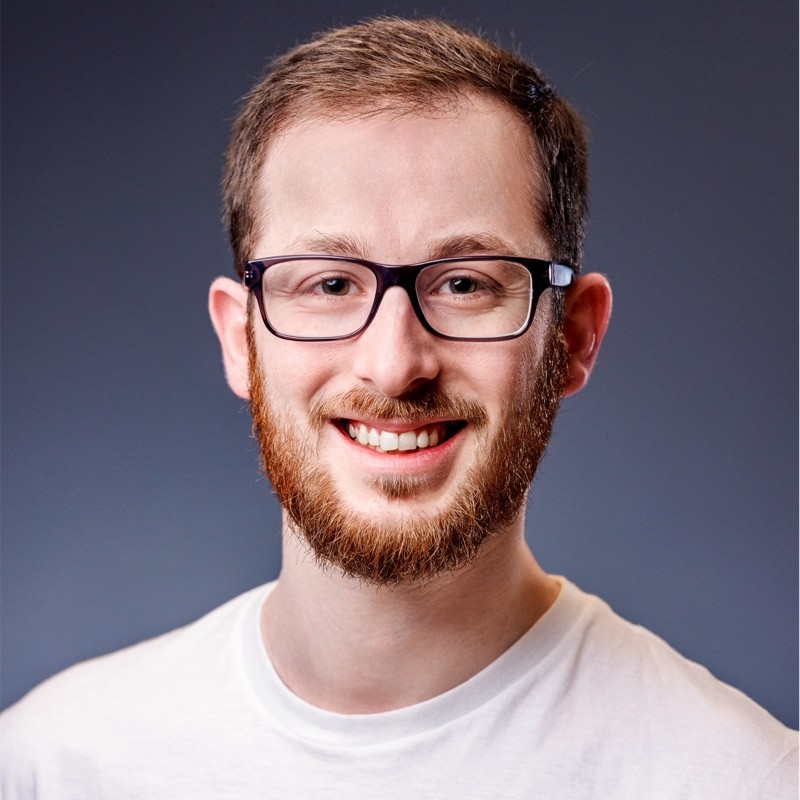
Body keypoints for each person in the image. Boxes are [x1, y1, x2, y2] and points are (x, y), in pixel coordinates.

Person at [1, 16, 796, 799]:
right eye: (330, 283)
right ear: (240, 340)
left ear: (575, 337)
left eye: (465, 284)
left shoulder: (741, 781)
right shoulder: (49, 768)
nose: (394, 365)